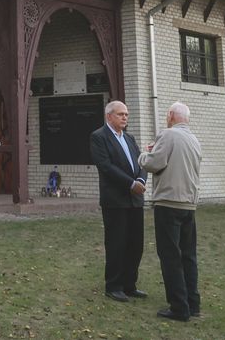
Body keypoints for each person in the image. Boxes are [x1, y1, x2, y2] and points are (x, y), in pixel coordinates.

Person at [139, 101, 203, 323]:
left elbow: (154, 163)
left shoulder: (167, 135)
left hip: (168, 203)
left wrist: (143, 155)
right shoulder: (194, 140)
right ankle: (193, 303)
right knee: (188, 255)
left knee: (170, 255)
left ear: (171, 115)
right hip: (189, 204)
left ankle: (178, 307)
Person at [89, 100, 148, 303]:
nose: (125, 117)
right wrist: (130, 184)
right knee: (117, 243)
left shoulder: (130, 138)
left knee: (135, 244)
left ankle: (129, 285)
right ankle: (114, 285)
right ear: (109, 116)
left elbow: (141, 162)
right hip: (115, 200)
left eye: (127, 114)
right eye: (121, 114)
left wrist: (140, 179)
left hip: (135, 200)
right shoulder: (99, 137)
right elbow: (105, 166)